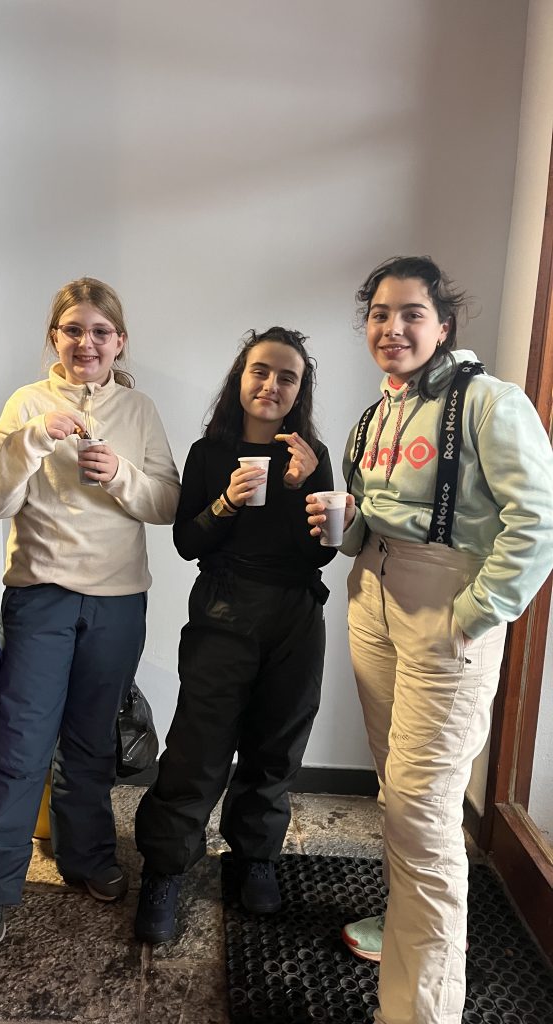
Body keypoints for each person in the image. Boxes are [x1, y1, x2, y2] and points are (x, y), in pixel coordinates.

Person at [307, 256, 553, 1024]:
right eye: (379, 314)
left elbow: (538, 520)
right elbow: (368, 526)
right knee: (400, 789)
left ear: (443, 325)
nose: (392, 327)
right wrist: (346, 524)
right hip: (373, 600)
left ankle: (422, 1009)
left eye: (411, 313)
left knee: (424, 809)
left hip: (445, 609)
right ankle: (407, 927)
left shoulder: (489, 402)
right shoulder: (375, 415)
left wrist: (476, 611)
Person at [0, 277, 180, 947]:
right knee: (20, 742)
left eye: (100, 332)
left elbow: (168, 503)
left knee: (90, 742)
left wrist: (121, 475)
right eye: (73, 330)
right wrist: (31, 439)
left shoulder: (139, 410)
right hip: (41, 597)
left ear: (120, 341)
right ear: (54, 337)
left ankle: (86, 857)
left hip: (119, 601)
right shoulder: (26, 403)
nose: (87, 342)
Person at [134, 326, 335, 944]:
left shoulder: (312, 456)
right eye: (260, 371)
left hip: (295, 613)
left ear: (299, 391)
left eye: (286, 377)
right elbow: (186, 542)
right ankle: (166, 868)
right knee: (198, 745)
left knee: (277, 744)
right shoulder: (209, 452)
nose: (271, 385)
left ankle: (255, 856)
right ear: (240, 380)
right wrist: (225, 501)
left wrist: (303, 487)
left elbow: (321, 555)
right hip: (224, 607)